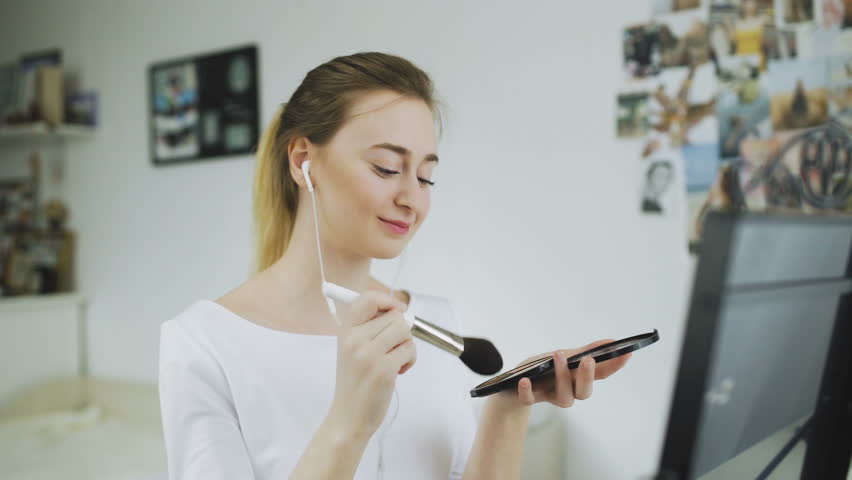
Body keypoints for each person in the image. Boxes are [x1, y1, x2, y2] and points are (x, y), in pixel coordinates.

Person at [158, 52, 630, 480]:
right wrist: (348, 423)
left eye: (425, 176)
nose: (411, 198)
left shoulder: (441, 329)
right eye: (386, 168)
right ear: (304, 161)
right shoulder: (203, 345)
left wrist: (509, 406)